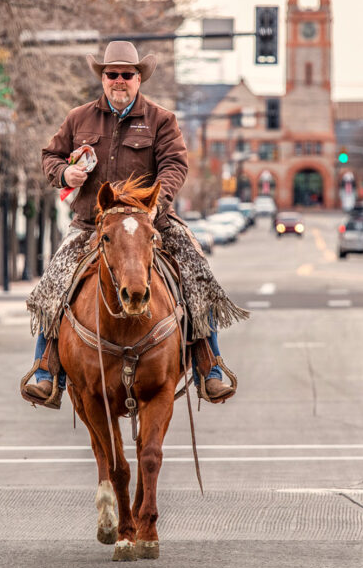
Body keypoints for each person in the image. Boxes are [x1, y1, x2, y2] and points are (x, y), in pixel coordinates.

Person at [22, 41, 248, 409]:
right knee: (55, 281)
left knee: (197, 272)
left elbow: (175, 164)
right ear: (103, 78)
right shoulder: (79, 118)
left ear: (139, 78)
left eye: (127, 74)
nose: (119, 80)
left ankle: (210, 365)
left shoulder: (162, 120)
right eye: (112, 74)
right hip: (90, 223)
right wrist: (66, 172)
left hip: (151, 220)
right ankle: (47, 370)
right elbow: (50, 156)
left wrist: (158, 202)